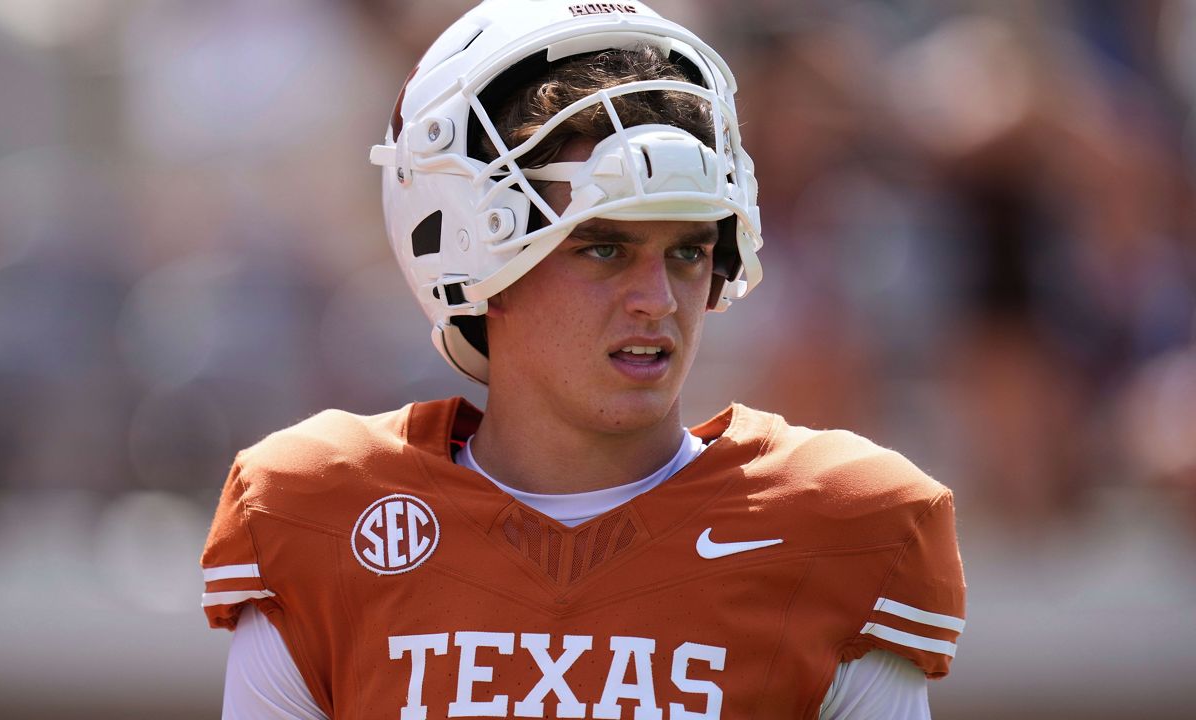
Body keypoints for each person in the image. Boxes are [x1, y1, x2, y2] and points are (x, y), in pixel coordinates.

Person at [199, 1, 966, 718]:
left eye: (690, 251)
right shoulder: (323, 519)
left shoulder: (833, 531)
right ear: (476, 254)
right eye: (604, 248)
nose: (658, 299)